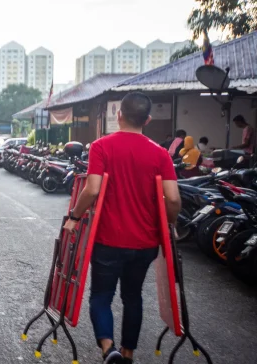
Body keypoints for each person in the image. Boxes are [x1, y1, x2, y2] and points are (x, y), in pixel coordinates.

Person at [63, 92, 181, 364]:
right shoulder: (160, 154)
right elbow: (173, 198)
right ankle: (127, 353)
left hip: (108, 240)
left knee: (102, 295)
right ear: (148, 120)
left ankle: (109, 348)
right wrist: (169, 224)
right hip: (145, 243)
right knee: (133, 296)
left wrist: (75, 216)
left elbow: (92, 189)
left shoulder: (102, 146)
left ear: (119, 116)